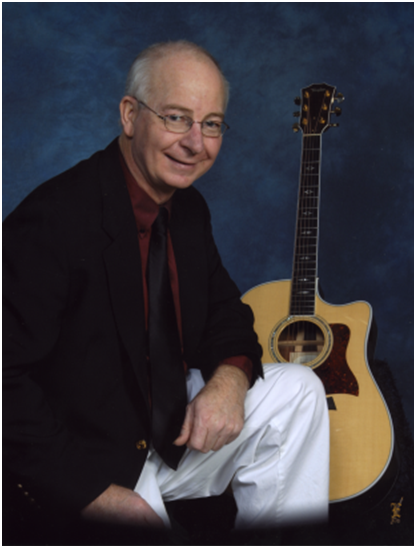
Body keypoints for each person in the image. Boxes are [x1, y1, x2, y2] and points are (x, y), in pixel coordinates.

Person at [3, 40, 329, 538]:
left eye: (212, 123)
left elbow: (227, 316)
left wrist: (229, 384)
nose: (195, 143)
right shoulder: (52, 220)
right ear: (130, 116)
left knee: (298, 391)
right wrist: (94, 493)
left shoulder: (189, 210)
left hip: (167, 429)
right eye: (177, 117)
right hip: (83, 455)